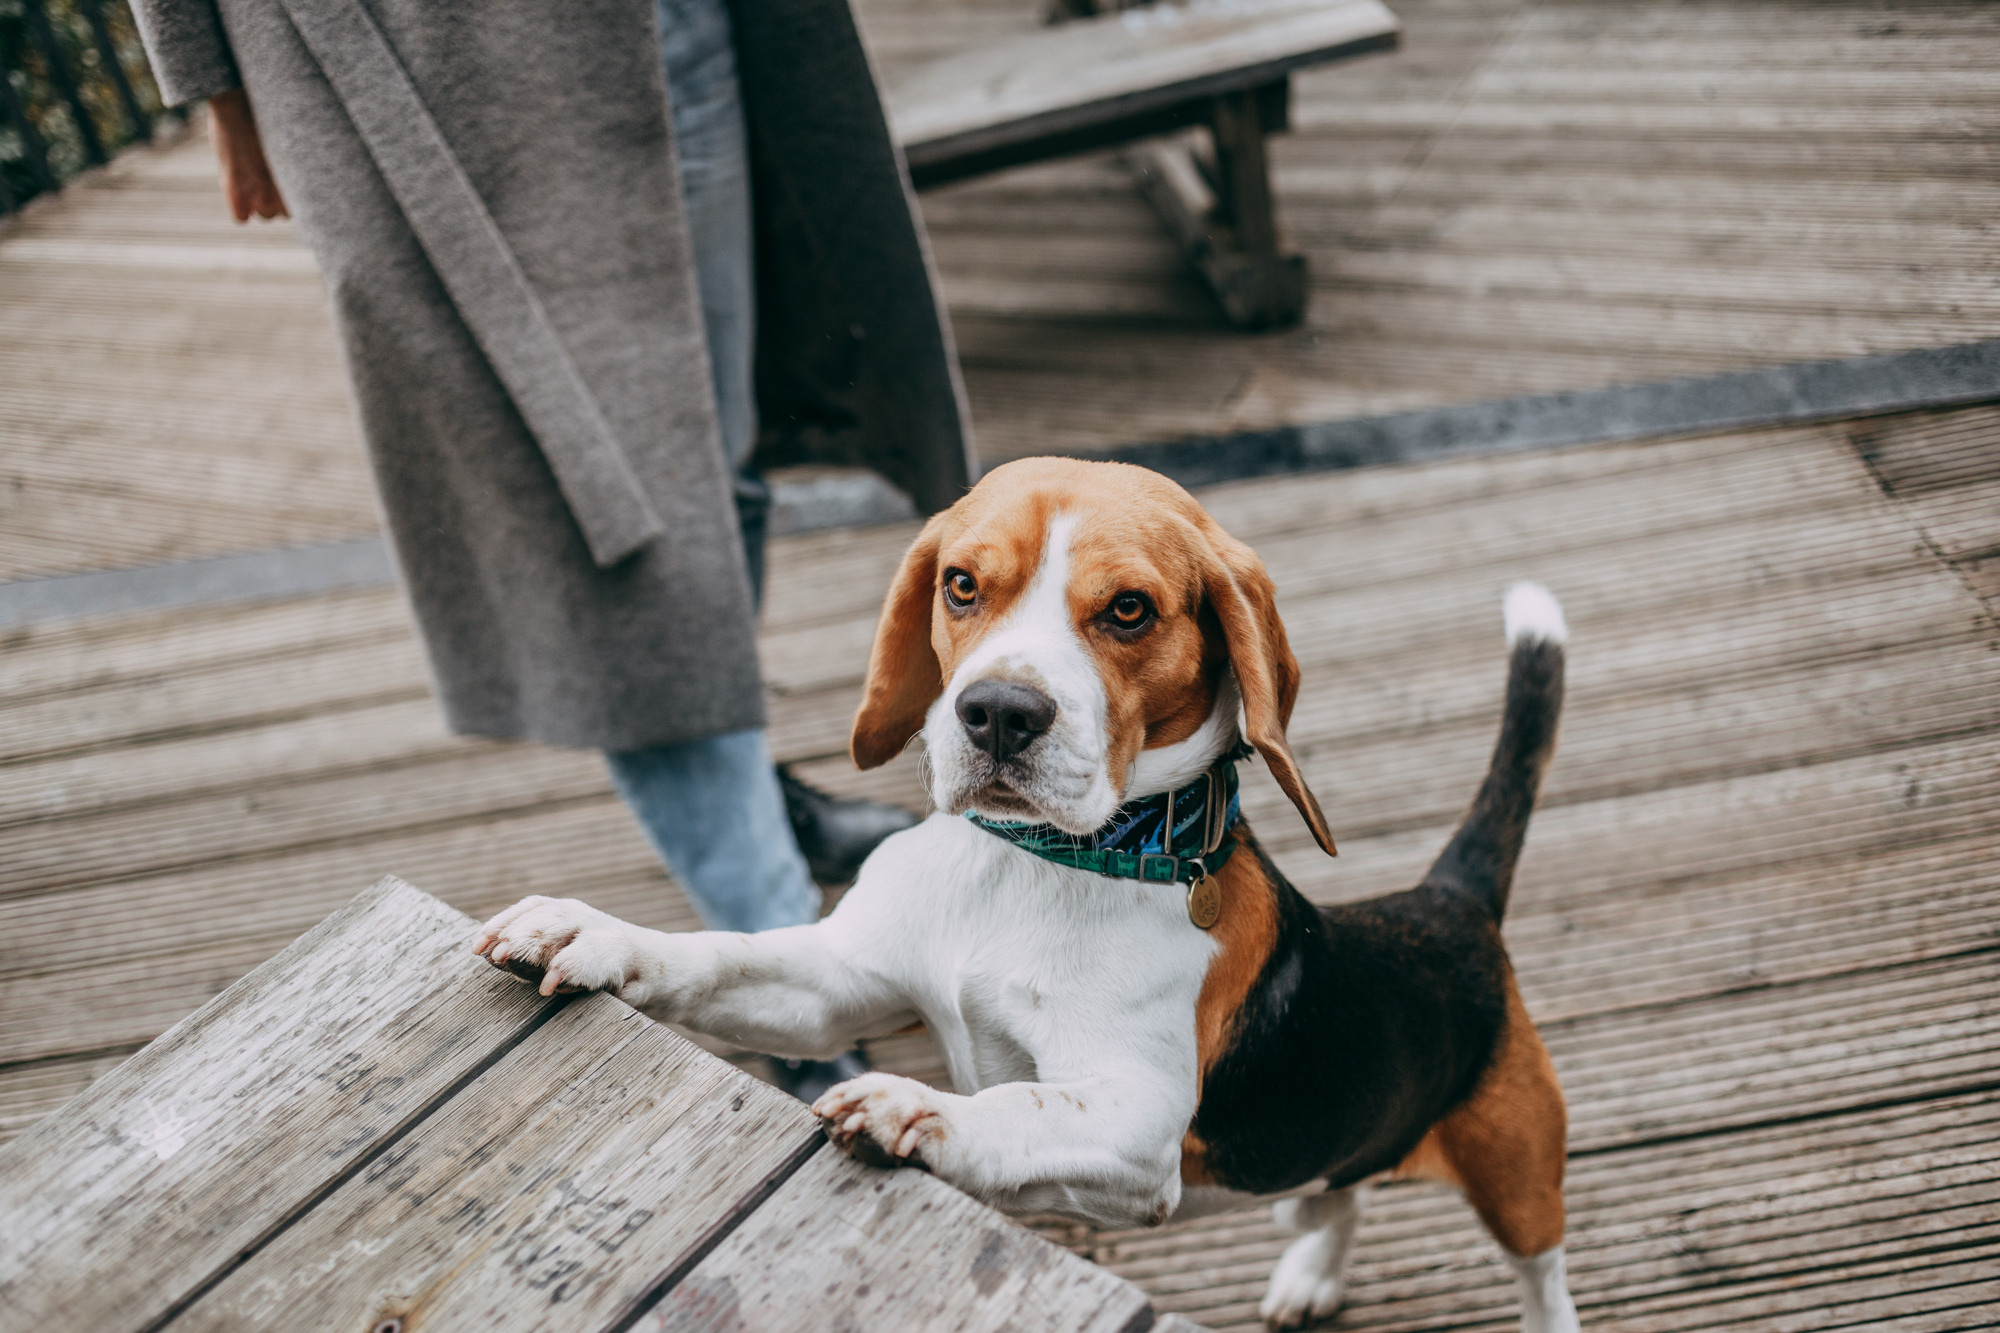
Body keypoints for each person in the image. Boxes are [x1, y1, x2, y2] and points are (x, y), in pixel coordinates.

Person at [133, 0, 975, 1100]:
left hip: (680, 32)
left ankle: (745, 803)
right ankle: (784, 971)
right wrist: (214, 81)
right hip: (422, 71)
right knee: (617, 558)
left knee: (713, 474)